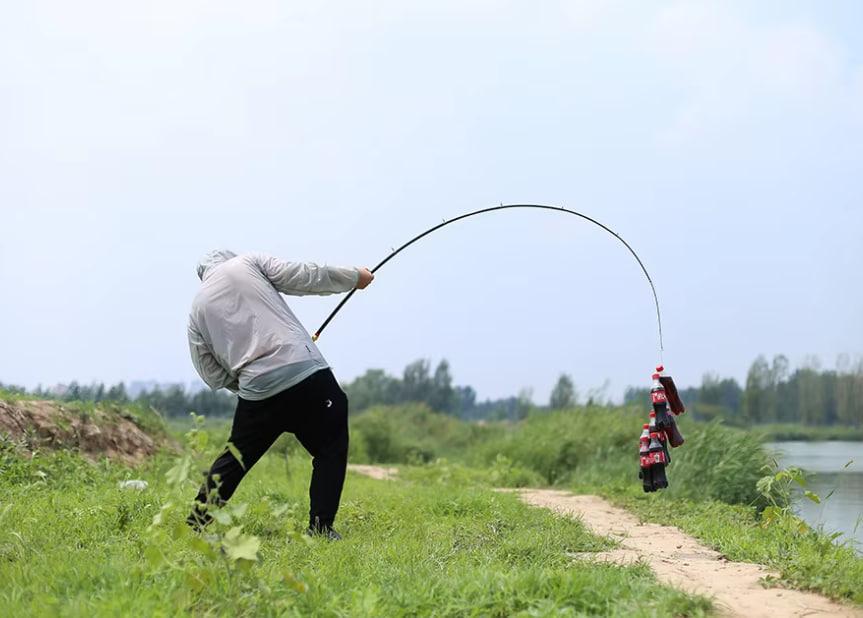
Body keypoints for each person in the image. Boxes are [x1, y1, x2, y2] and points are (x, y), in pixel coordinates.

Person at [185, 249, 374, 540]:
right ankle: (321, 528)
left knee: (234, 458)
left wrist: (249, 381)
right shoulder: (248, 262)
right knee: (330, 445)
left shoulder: (196, 309)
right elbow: (304, 276)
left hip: (257, 391)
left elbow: (210, 372)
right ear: (228, 258)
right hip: (305, 372)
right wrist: (353, 277)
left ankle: (194, 525)